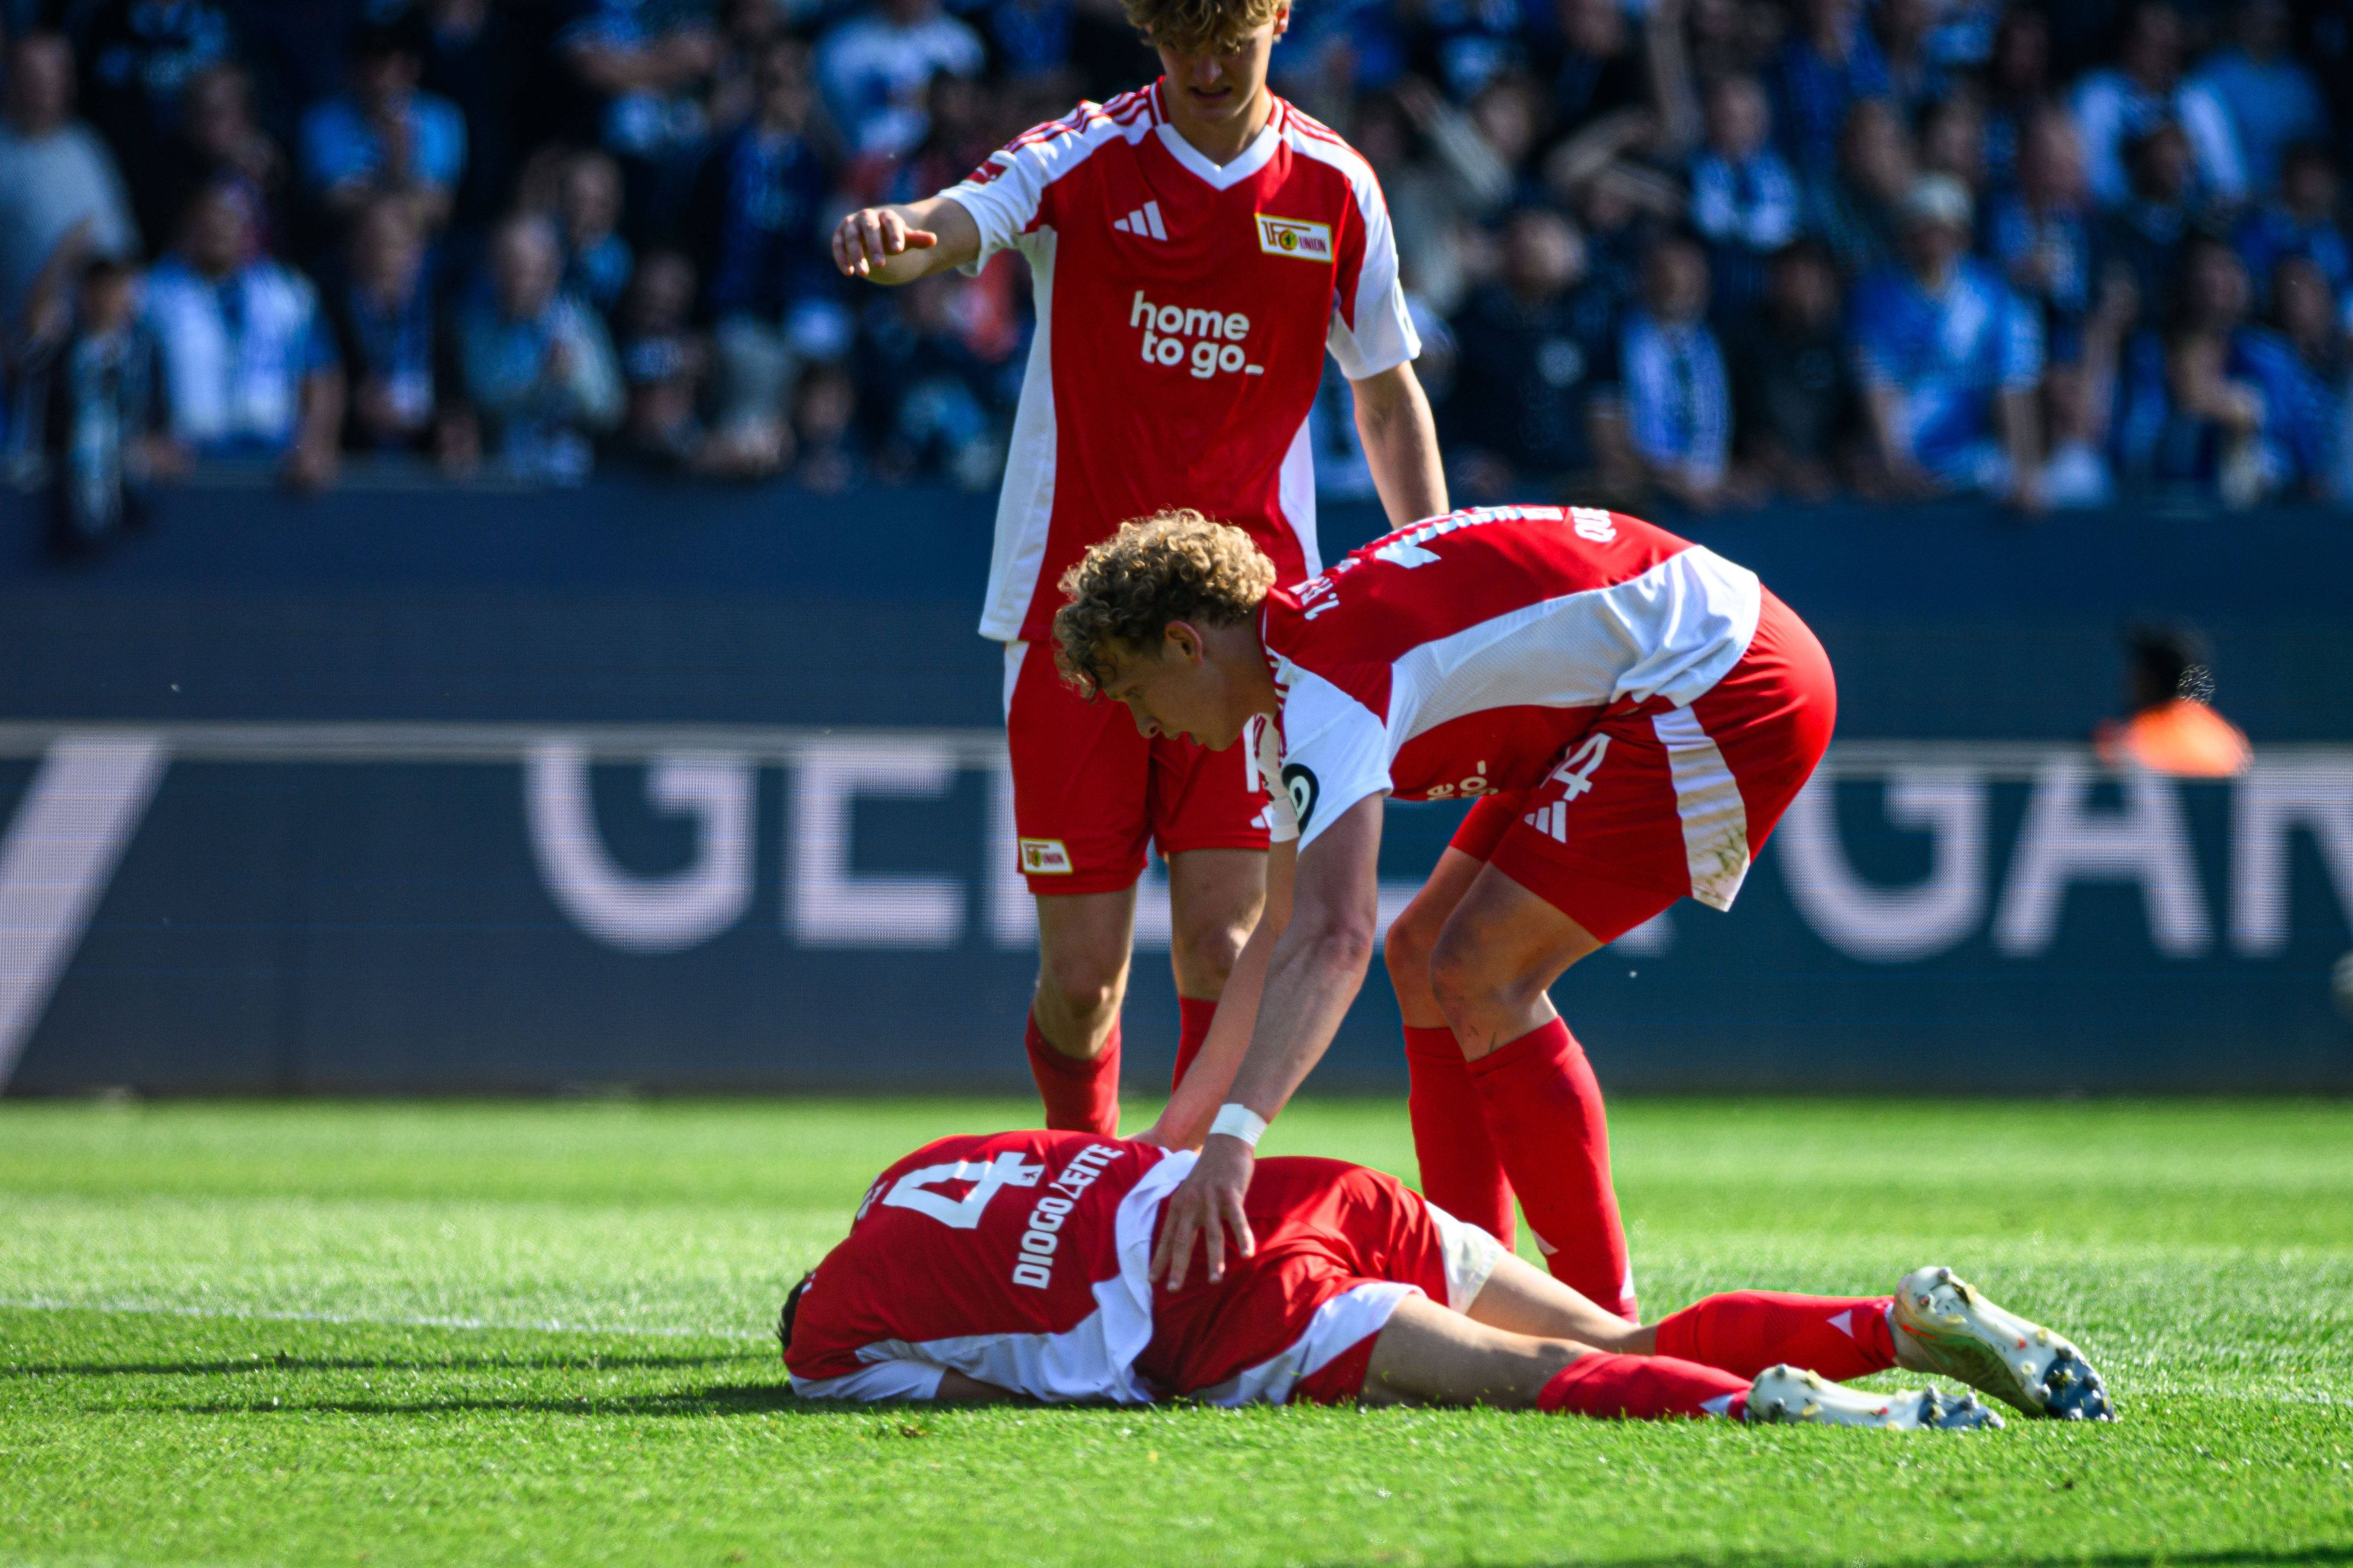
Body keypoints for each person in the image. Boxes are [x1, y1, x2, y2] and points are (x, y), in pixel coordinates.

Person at [828, 0, 1447, 1136]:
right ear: (1150, 33)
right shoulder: (1087, 154)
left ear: (1279, 21)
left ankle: (1177, 1217)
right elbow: (967, 214)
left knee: (1221, 944)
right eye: (1181, 42)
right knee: (1082, 985)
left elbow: (1385, 389)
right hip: (1076, 623)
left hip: (1251, 636)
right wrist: (902, 232)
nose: (1207, 68)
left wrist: (1435, 576)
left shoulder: (1334, 187)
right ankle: (1082, 1183)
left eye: (1234, 42)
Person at [1052, 505, 1834, 1322]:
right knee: (1424, 951)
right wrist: (1166, 1146)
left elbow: (1332, 939)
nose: (1146, 725)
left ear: (1185, 643)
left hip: (1724, 673)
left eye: (1138, 692)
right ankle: (1475, 1297)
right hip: (1679, 657)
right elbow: (1279, 932)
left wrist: (1234, 1143)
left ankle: (1602, 1327)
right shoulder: (1294, 682)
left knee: (1480, 969)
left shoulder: (1322, 689)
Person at [779, 1126, 2113, 1427]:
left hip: (1222, 1295)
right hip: (1307, 1187)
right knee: (1622, 1326)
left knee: (1529, 1376)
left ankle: (1793, 1406)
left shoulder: (828, 1336)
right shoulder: (927, 1157)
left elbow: (968, 1394)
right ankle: (1886, 1322)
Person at [1851, 174, 2042, 506]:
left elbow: (2013, 387)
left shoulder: (1993, 296)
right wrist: (1897, 468)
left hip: (1976, 464)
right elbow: (1878, 388)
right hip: (1900, 470)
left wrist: (2024, 472)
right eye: (1922, 228)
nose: (1933, 240)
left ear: (1962, 234)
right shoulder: (1877, 298)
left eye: (1943, 229)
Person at [142, 181, 343, 491]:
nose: (219, 230)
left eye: (229, 220)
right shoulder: (153, 295)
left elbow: (321, 376)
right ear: (189, 227)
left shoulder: (288, 294)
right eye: (208, 221)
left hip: (276, 464)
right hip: (187, 464)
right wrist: (143, 438)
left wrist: (315, 444)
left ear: (249, 229)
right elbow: (126, 369)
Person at [453, 213, 623, 483]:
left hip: (572, 480)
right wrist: (542, 380)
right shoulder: (477, 327)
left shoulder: (580, 323)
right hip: (501, 479)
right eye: (511, 267)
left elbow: (608, 408)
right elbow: (484, 400)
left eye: (532, 269)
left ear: (553, 269)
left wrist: (573, 378)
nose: (522, 280)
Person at [0, 34, 139, 336]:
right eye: (33, 76)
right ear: (10, 77)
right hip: (24, 351)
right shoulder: (5, 154)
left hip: (99, 343)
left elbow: (124, 247)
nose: (45, 88)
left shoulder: (87, 144)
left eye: (55, 76)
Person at [299, 19, 469, 234]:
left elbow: (437, 209)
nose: (378, 79)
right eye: (369, 66)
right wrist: (401, 188)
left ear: (412, 68)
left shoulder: (442, 118)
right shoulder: (323, 120)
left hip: (423, 246)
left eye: (388, 65)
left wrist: (399, 160)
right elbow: (334, 204)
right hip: (344, 245)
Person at [1618, 233, 1735, 510]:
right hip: (1644, 501)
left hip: (1714, 498)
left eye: (1689, 272)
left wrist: (1731, 473)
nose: (1678, 282)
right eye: (1666, 272)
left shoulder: (1719, 342)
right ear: (1645, 278)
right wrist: (1667, 477)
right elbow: (1608, 436)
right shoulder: (1617, 339)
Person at [2094, 625, 2249, 779]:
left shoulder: (2138, 732)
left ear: (2153, 681)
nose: (2129, 680)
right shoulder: (2224, 732)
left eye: (2139, 673)